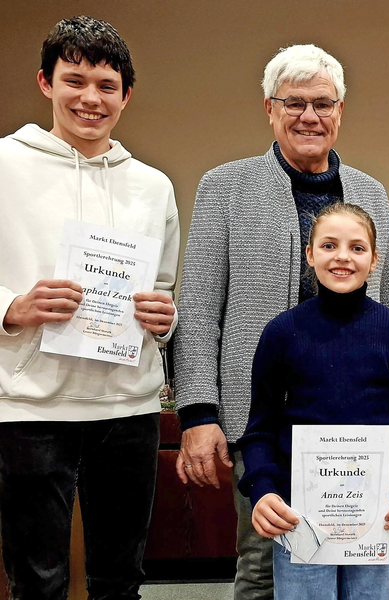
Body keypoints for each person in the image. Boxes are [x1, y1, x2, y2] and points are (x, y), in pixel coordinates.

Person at [172, 44, 389, 599]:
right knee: (263, 560)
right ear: (269, 110)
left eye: (322, 103)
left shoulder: (371, 193)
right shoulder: (224, 187)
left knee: (358, 559)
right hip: (264, 423)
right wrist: (199, 414)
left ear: (341, 111)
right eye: (294, 103)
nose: (309, 116)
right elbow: (199, 309)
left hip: (359, 421)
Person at [0, 16, 179, 600]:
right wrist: (12, 307)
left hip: (128, 405)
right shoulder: (5, 165)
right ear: (45, 82)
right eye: (75, 80)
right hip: (30, 407)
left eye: (106, 86)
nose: (90, 98)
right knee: (38, 578)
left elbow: (164, 287)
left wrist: (165, 317)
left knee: (120, 577)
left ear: (125, 96)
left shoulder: (152, 186)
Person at [236, 202, 389, 600]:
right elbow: (259, 429)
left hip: (376, 514)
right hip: (299, 515)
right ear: (310, 255)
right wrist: (262, 489)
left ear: (375, 259)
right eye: (329, 246)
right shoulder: (282, 333)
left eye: (357, 247)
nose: (343, 257)